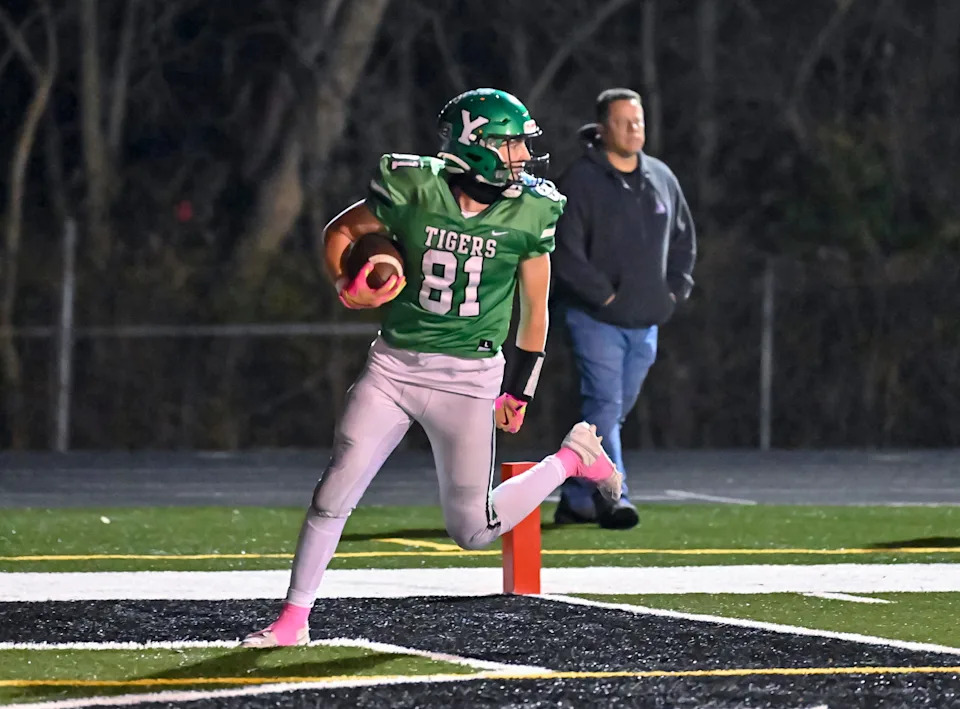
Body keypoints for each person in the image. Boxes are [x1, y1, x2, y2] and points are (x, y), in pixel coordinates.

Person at [242, 88, 622, 647]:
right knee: (333, 493)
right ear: (474, 144)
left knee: (472, 530)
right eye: (509, 142)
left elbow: (536, 309)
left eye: (520, 142)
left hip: (469, 379)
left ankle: (571, 460)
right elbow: (341, 232)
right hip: (394, 367)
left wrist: (520, 390)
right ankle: (293, 621)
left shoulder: (532, 209)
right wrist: (348, 285)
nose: (520, 154)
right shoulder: (415, 186)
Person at [551, 88, 696, 530]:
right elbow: (564, 249)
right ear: (602, 128)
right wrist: (605, 295)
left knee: (608, 413)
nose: (635, 129)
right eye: (624, 122)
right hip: (594, 318)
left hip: (646, 320)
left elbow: (684, 239)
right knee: (605, 402)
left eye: (639, 121)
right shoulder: (580, 180)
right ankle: (615, 496)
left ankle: (576, 496)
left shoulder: (660, 177)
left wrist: (673, 291)